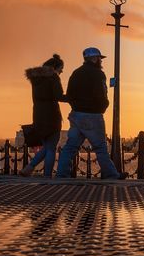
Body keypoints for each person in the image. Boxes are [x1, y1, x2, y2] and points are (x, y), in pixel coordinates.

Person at [55, 47, 120, 179]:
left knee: (70, 147)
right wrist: (104, 106)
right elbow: (101, 93)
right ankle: (111, 174)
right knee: (100, 147)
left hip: (76, 115)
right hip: (93, 116)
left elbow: (70, 94)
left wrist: (76, 106)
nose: (100, 62)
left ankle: (62, 174)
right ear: (94, 59)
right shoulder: (98, 74)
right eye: (99, 59)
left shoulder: (76, 73)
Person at [20, 54, 67, 178]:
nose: (61, 71)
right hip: (52, 116)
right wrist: (74, 97)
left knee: (47, 146)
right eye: (61, 68)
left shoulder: (36, 79)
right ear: (55, 68)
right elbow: (59, 96)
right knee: (51, 148)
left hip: (38, 115)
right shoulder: (53, 77)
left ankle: (28, 168)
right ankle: (47, 175)